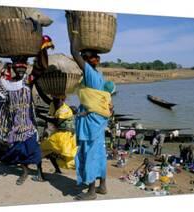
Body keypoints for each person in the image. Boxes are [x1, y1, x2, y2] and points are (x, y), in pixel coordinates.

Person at [0, 35, 54, 185]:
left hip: (28, 123)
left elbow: (41, 68)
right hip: (15, 125)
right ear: (14, 68)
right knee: (18, 151)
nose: (21, 69)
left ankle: (40, 173)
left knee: (34, 150)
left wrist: (42, 50)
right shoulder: (7, 84)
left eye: (24, 67)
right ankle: (25, 171)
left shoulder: (28, 81)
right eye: (18, 67)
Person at [68, 11, 115, 200]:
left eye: (83, 57)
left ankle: (92, 191)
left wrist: (75, 29)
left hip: (90, 120)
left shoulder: (90, 73)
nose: (80, 57)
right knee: (98, 151)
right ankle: (103, 186)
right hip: (97, 119)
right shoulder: (98, 75)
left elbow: (73, 51)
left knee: (89, 153)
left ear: (87, 61)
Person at [38, 95, 77, 174]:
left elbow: (57, 122)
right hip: (64, 137)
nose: (54, 102)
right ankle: (57, 170)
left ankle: (40, 175)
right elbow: (46, 99)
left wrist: (40, 116)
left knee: (39, 151)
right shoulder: (59, 106)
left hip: (61, 137)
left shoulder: (65, 110)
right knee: (51, 152)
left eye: (56, 100)